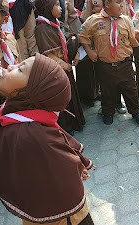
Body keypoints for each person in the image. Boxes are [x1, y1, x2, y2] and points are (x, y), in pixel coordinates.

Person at [0, 53, 94, 225]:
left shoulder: (28, 134)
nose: (10, 66)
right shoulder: (23, 117)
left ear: (30, 92)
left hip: (61, 215)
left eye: (20, 69)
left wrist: (76, 166)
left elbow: (60, 161)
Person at [78, 0, 139, 125]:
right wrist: (89, 51)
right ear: (108, 4)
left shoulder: (126, 20)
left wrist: (135, 37)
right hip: (105, 65)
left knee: (130, 89)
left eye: (121, 2)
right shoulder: (94, 20)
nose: (121, 5)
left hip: (125, 63)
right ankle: (108, 112)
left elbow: (132, 39)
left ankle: (136, 111)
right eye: (117, 2)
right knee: (107, 90)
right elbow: (82, 35)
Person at [35, 0, 85, 134]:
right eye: (56, 5)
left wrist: (76, 54)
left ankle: (76, 121)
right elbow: (49, 55)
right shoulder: (42, 29)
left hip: (66, 67)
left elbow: (69, 37)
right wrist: (65, 65)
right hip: (56, 71)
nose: (61, 8)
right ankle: (66, 126)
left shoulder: (57, 23)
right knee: (62, 98)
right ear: (47, 7)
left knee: (70, 94)